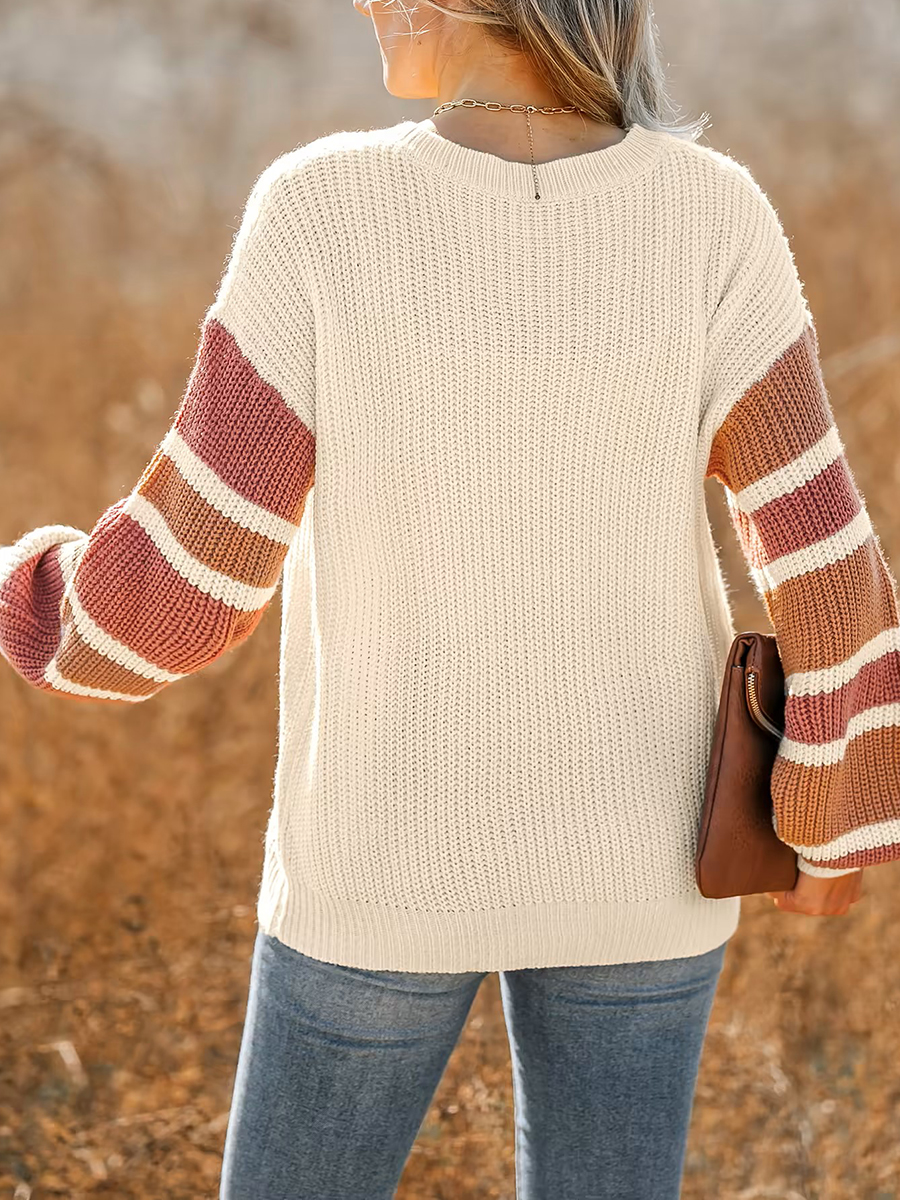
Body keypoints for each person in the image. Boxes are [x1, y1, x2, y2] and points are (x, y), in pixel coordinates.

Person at [1, 0, 896, 1196]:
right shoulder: (712, 213)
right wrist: (832, 819)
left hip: (379, 866)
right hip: (646, 874)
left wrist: (32, 590)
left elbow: (180, 591)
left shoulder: (321, 209)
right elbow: (830, 563)